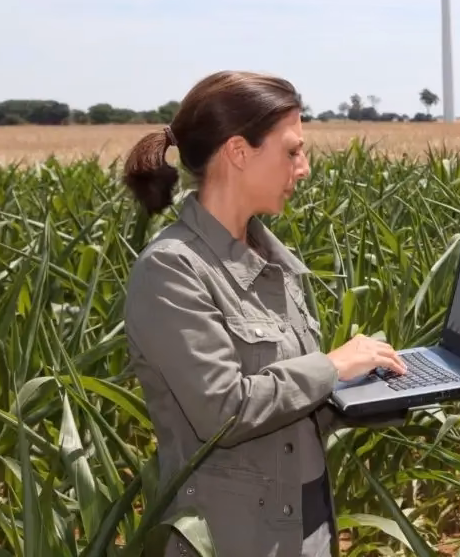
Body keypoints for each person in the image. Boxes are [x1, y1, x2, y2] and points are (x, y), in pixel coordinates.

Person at [121, 70, 409, 557]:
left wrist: (387, 388)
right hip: (235, 538)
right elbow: (224, 411)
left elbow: (292, 401)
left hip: (304, 521)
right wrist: (333, 366)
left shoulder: (271, 261)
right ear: (238, 152)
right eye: (292, 150)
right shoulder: (171, 271)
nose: (305, 168)